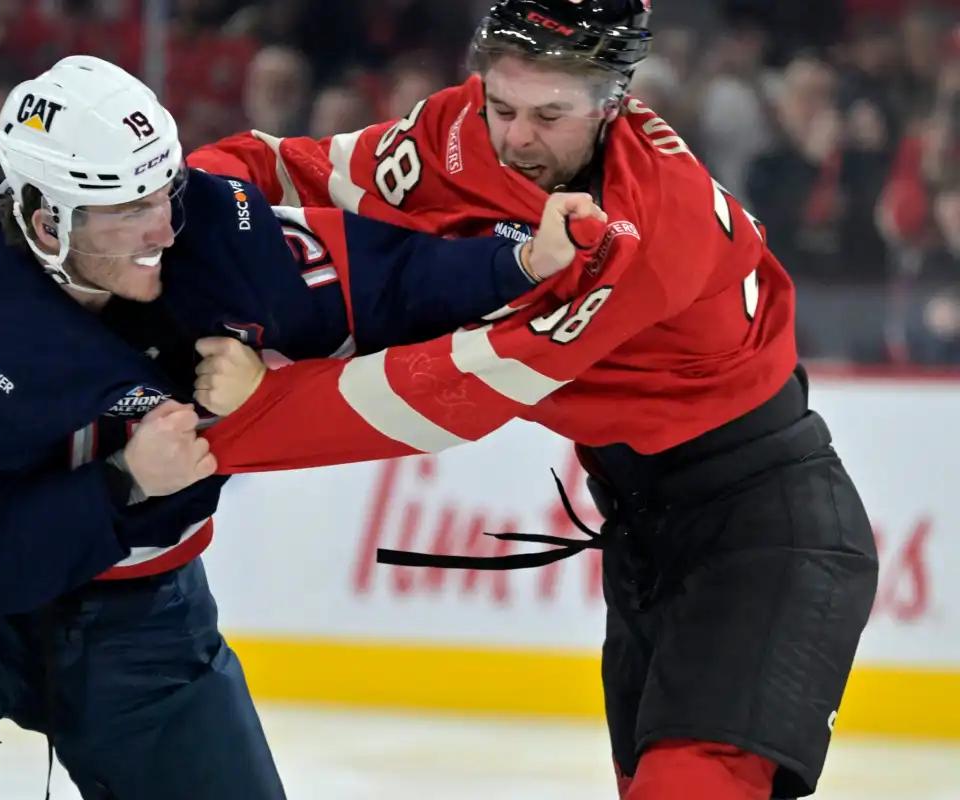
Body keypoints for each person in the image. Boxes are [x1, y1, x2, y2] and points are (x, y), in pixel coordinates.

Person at [0, 55, 599, 800]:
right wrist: (124, 483)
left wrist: (522, 261)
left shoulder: (212, 223)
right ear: (48, 223)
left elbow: (383, 279)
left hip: (143, 622)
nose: (163, 227)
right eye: (128, 206)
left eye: (163, 191)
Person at [188, 2, 879, 798]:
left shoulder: (647, 229)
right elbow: (301, 169)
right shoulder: (459, 131)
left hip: (766, 527)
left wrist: (249, 415)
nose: (515, 138)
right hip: (644, 525)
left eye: (550, 115)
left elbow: (459, 391)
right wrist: (174, 206)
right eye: (502, 105)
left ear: (612, 105)